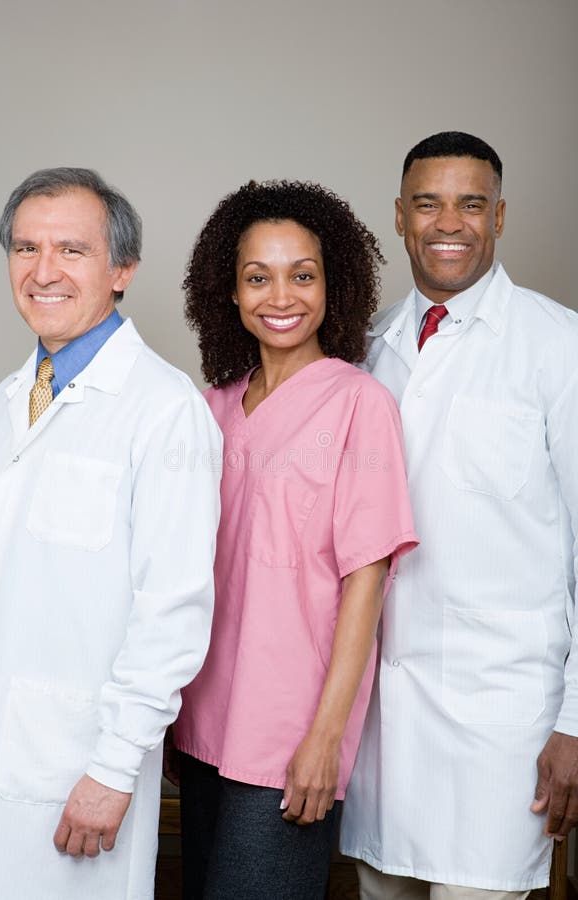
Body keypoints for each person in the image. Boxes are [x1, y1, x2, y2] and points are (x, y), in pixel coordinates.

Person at [340, 131, 578, 897]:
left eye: (471, 203)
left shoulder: (558, 346)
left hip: (503, 722)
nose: (450, 222)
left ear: (500, 217)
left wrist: (577, 721)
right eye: (429, 203)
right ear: (400, 219)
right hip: (383, 724)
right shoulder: (362, 347)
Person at [0, 167, 221, 900]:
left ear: (122, 269)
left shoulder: (164, 410)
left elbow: (172, 612)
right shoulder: (7, 399)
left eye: (71, 251)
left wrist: (113, 769)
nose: (42, 271)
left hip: (73, 767)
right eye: (25, 249)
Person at [171, 180, 419, 899]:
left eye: (302, 275)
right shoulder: (212, 408)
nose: (281, 296)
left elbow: (365, 584)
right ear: (230, 292)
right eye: (258, 277)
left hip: (286, 738)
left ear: (331, 284)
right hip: (199, 727)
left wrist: (325, 740)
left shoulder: (359, 404)